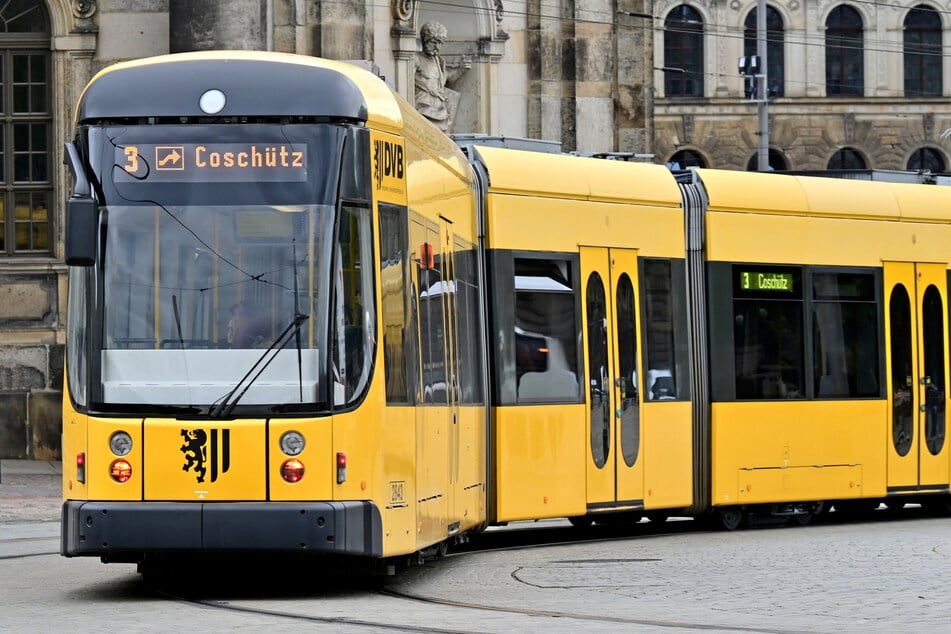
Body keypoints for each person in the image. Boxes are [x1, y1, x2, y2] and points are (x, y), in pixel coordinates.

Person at [414, 21, 471, 133]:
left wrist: (460, 70)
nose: (438, 47)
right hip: (422, 111)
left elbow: (447, 78)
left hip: (441, 113)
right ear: (425, 40)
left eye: (440, 43)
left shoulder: (439, 61)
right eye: (434, 42)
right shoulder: (415, 59)